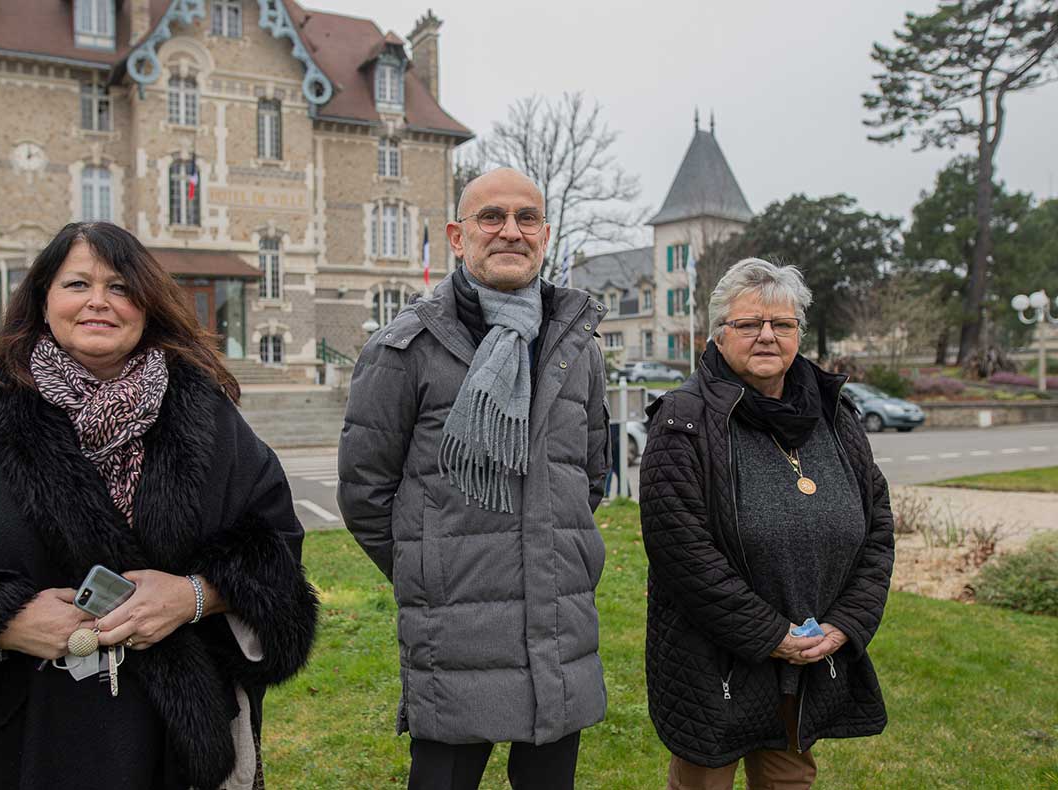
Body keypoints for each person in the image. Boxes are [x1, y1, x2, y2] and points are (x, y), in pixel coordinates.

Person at [0, 222, 318, 790]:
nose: (99, 303)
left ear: (147, 304)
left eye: (121, 287)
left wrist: (194, 596)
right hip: (27, 739)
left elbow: (279, 553)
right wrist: (3, 622)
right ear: (45, 300)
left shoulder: (212, 420)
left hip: (179, 741)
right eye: (77, 283)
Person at [336, 167, 612, 789]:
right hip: (452, 633)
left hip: (556, 622)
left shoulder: (577, 348)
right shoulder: (403, 349)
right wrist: (429, 565)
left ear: (546, 234)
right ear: (459, 237)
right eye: (492, 218)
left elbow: (589, 478)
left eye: (527, 219)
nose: (510, 232)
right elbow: (365, 493)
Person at [639, 258, 895, 789]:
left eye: (782, 324)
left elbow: (877, 530)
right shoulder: (683, 420)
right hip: (714, 662)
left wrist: (846, 623)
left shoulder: (833, 415)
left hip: (805, 655)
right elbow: (681, 552)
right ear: (717, 334)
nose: (766, 336)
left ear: (798, 333)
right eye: (748, 324)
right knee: (702, 782)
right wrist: (768, 633)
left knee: (788, 781)